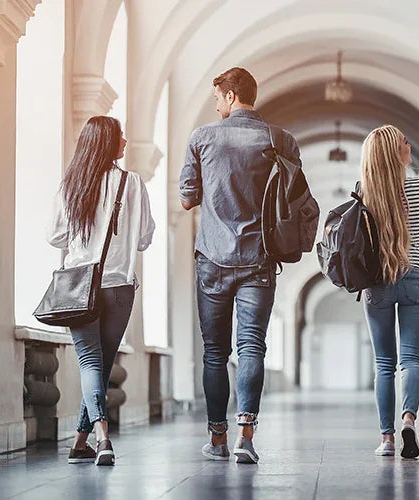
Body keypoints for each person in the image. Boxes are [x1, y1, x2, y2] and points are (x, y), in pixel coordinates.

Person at [179, 67, 301, 464]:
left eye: (218, 97)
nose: (215, 105)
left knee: (215, 352)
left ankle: (217, 439)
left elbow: (186, 198)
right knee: (252, 348)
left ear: (231, 96)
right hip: (259, 259)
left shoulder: (202, 137)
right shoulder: (280, 139)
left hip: (212, 260)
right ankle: (245, 438)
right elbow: (294, 198)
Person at [47, 116, 155, 466]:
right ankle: (89, 440)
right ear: (108, 143)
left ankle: (97, 439)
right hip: (120, 288)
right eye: (120, 136)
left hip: (80, 288)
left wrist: (85, 236)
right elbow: (143, 239)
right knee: (102, 365)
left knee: (93, 364)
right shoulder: (133, 183)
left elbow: (55, 236)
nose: (125, 141)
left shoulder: (72, 185)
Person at [360, 125, 419, 459]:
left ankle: (387, 439)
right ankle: (409, 420)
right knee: (411, 360)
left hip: (378, 281)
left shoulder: (365, 191)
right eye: (405, 141)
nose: (410, 143)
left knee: (384, 364)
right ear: (395, 152)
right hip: (414, 275)